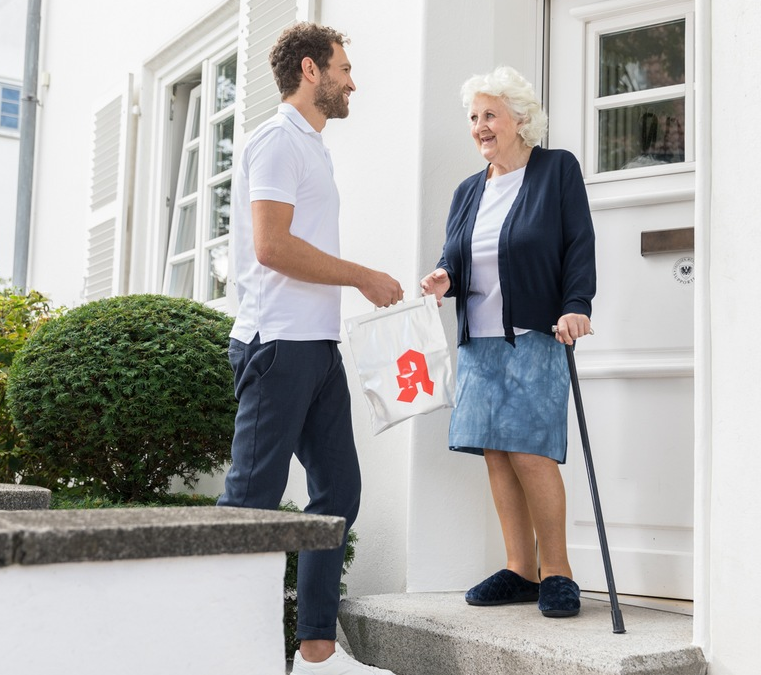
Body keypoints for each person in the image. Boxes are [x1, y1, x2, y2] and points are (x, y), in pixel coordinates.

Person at [218, 22, 403, 675]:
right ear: (310, 69)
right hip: (277, 345)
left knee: (338, 492)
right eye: (344, 69)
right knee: (250, 505)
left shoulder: (312, 147)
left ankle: (318, 652)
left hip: (317, 346)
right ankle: (223, 650)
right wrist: (361, 275)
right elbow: (271, 246)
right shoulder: (276, 142)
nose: (353, 82)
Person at [420, 66, 596, 619]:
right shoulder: (468, 191)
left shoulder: (556, 170)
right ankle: (521, 569)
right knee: (496, 452)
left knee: (530, 451)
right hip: (480, 339)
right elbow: (456, 256)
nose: (479, 126)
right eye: (473, 117)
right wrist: (444, 277)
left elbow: (578, 242)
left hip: (534, 334)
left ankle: (558, 571)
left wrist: (576, 304)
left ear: (519, 119)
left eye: (490, 115)